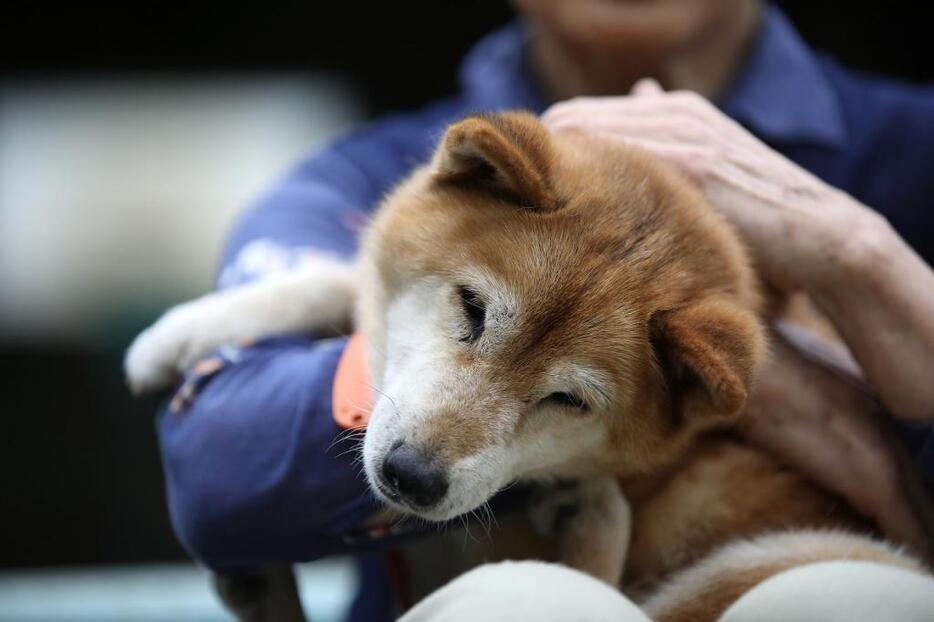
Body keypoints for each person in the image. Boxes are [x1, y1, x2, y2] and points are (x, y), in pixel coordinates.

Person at [154, 1, 934, 619]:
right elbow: (220, 468)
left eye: (564, 394)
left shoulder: (912, 154)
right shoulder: (371, 175)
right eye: (470, 309)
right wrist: (362, 304)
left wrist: (866, 264)